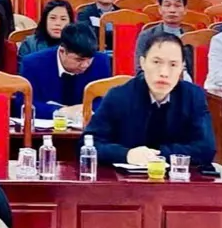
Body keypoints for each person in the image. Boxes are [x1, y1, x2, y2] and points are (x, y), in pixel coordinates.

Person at [84, 26, 215, 167]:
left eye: (173, 64)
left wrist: (158, 154)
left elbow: (206, 149)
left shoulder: (193, 97)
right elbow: (89, 144)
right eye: (156, 62)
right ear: (143, 63)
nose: (164, 72)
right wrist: (126, 154)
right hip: (125, 178)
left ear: (182, 67)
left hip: (175, 178)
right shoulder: (118, 96)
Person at [19, 22, 111, 118]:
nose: (85, 65)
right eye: (79, 60)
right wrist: (60, 111)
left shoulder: (100, 61)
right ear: (62, 51)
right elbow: (22, 103)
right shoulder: (33, 64)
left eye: (89, 59)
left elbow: (106, 102)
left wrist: (86, 109)